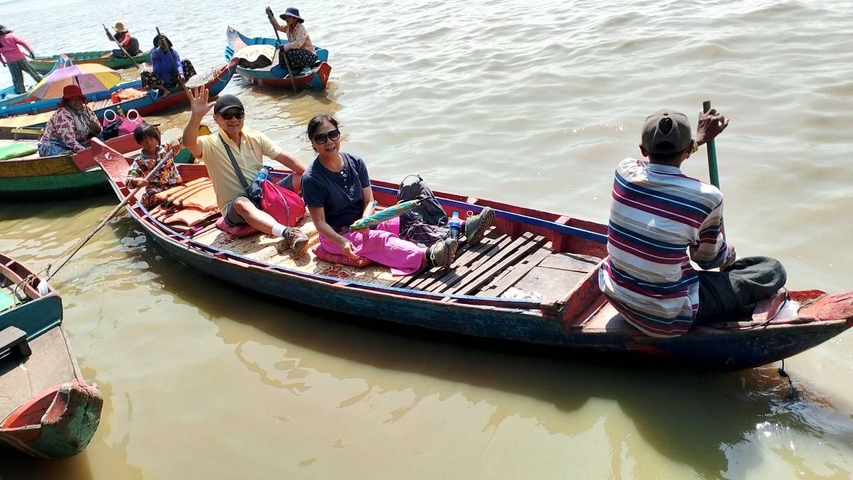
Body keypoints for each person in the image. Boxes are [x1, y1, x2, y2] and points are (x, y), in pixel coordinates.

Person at [598, 108, 787, 338]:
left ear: (642, 149)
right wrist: (728, 256)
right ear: (688, 150)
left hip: (615, 295)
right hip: (667, 320)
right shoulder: (707, 197)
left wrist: (697, 140)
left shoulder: (624, 170)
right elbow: (707, 260)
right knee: (771, 270)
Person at [300, 114, 495, 275]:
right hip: (339, 234)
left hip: (366, 221)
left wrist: (366, 220)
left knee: (408, 213)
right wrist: (343, 241)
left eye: (333, 134)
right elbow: (320, 223)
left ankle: (462, 228)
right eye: (321, 138)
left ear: (339, 135)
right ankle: (430, 255)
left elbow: (369, 200)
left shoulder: (355, 162)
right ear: (313, 144)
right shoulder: (312, 178)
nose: (329, 142)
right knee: (381, 240)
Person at [182, 87, 310, 256]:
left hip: (262, 195)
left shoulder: (254, 136)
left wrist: (318, 176)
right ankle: (288, 233)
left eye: (238, 114)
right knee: (241, 203)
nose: (233, 119)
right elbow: (189, 143)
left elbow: (284, 157)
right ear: (216, 118)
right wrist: (196, 116)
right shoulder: (210, 144)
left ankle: (326, 209)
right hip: (236, 209)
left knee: (303, 178)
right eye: (227, 115)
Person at [126, 122, 183, 207]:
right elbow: (128, 181)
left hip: (174, 184)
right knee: (151, 199)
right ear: (140, 143)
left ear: (156, 138)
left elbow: (183, 138)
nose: (149, 143)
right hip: (156, 190)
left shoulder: (166, 149)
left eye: (151, 139)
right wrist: (136, 181)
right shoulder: (139, 161)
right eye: (144, 141)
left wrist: (176, 141)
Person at [37, 85, 101, 156]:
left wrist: (97, 129)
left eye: (79, 99)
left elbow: (100, 129)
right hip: (57, 144)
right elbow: (69, 141)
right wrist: (86, 153)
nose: (77, 102)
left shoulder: (87, 111)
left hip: (79, 143)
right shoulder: (62, 115)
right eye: (73, 100)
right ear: (67, 101)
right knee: (62, 154)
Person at [265, 7, 318, 75]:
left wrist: (284, 46)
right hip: (299, 56)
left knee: (291, 52)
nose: (286, 19)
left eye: (289, 17)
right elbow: (277, 27)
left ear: (295, 18)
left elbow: (298, 44)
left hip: (309, 56)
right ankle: (288, 69)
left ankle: (301, 68)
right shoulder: (288, 28)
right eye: (286, 17)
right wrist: (271, 17)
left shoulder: (301, 29)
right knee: (282, 52)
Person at [0, 25, 41, 94]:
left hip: (11, 62)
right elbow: (23, 43)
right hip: (21, 59)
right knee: (32, 72)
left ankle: (21, 92)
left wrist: (3, 62)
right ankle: (42, 82)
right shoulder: (10, 37)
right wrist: (30, 51)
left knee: (17, 78)